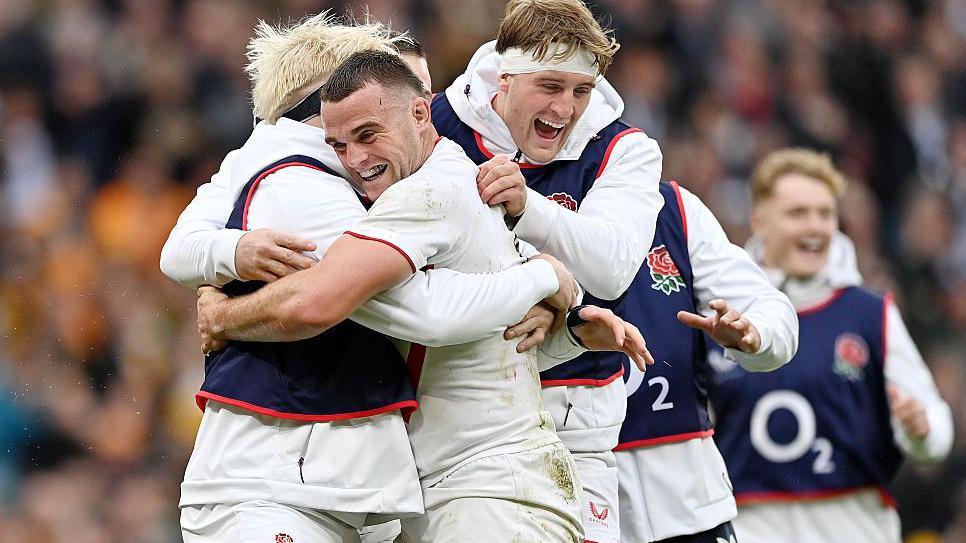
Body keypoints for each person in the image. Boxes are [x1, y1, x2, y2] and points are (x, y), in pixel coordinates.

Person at [163, 15, 592, 543]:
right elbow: (415, 311)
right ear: (323, 108)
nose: (358, 156)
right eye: (347, 136)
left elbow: (402, 311)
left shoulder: (421, 191)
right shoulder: (304, 185)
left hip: (464, 488)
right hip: (278, 488)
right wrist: (545, 281)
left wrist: (551, 286)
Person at [429, 0, 667, 539]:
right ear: (505, 77)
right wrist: (536, 284)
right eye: (551, 86)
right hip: (458, 409)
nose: (566, 107)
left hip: (574, 413)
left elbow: (611, 270)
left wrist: (528, 209)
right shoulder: (439, 122)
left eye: (581, 91)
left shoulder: (623, 148)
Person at [709, 148, 954, 543]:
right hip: (749, 525)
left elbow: (935, 429)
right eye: (798, 213)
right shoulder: (723, 314)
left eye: (825, 213)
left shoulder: (871, 313)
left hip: (855, 526)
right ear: (760, 222)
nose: (815, 226)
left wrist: (922, 430)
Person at [611, 179, 797, 543]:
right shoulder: (518, 204)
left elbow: (772, 311)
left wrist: (754, 332)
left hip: (692, 507)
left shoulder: (673, 207)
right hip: (572, 507)